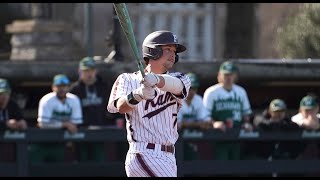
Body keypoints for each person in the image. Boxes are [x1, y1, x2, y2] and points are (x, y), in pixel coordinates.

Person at [107, 30, 191, 177]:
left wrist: (156, 80)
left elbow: (177, 86)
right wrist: (138, 95)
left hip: (169, 156)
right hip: (144, 152)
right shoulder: (128, 79)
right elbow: (119, 107)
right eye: (167, 49)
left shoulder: (180, 78)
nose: (173, 54)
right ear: (153, 51)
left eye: (174, 51)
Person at [203, 61, 253, 160]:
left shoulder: (241, 91)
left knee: (236, 167)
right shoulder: (211, 92)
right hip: (218, 136)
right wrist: (214, 123)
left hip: (237, 135)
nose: (228, 77)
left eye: (231, 74)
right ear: (220, 75)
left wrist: (247, 123)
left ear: (235, 76)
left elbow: (246, 114)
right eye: (225, 74)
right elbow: (204, 116)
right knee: (220, 168)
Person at [29, 74, 83, 163]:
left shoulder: (74, 99)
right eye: (58, 86)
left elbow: (75, 124)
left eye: (64, 86)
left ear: (69, 87)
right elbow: (43, 124)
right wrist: (64, 124)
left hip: (61, 142)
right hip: (43, 141)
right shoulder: (46, 100)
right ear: (53, 87)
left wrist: (68, 128)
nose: (61, 89)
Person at [69, 57, 113, 162]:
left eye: (91, 70)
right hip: (80, 132)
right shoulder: (74, 90)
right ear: (80, 71)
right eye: (86, 71)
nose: (89, 74)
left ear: (96, 71)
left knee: (99, 160)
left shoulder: (104, 87)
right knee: (81, 163)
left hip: (100, 130)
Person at [177, 72, 212, 161]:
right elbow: (178, 124)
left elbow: (206, 121)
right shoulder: (177, 99)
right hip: (177, 140)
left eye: (194, 88)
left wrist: (205, 123)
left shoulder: (198, 99)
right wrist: (197, 124)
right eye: (190, 88)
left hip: (193, 140)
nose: (191, 91)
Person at [0, 78, 28, 162]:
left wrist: (22, 123)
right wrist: (6, 124)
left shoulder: (12, 104)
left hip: (8, 149)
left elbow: (21, 120)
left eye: (6, 93)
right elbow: (6, 124)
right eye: (1, 93)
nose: (4, 96)